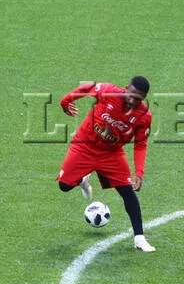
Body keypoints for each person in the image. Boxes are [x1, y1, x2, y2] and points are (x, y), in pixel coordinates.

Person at [57, 76, 156, 252]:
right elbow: (88, 87)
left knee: (128, 192)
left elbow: (141, 144)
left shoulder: (144, 116)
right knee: (64, 186)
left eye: (138, 99)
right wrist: (66, 101)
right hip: (84, 146)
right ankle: (82, 179)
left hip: (111, 154)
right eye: (131, 95)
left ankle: (139, 238)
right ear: (126, 88)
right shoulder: (108, 91)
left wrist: (139, 173)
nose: (133, 101)